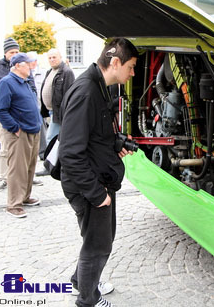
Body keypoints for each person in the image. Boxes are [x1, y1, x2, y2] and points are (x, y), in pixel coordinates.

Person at [60, 38, 138, 307]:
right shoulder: (86, 92)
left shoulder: (100, 87)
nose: (133, 73)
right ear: (115, 62)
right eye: (131, 66)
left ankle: (83, 282)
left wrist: (116, 145)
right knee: (98, 245)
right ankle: (88, 299)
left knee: (99, 239)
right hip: (89, 186)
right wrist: (96, 194)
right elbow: (69, 152)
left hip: (98, 179)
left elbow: (94, 137)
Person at [0, 38, 42, 192]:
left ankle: (25, 185)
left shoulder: (25, 71)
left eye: (17, 51)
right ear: (6, 53)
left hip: (26, 123)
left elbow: (32, 90)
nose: (15, 54)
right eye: (12, 52)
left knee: (25, 157)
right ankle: (4, 178)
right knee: (6, 150)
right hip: (9, 121)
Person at [0, 53, 43, 218]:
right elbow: (0, 109)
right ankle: (14, 204)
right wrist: (14, 127)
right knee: (17, 169)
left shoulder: (26, 82)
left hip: (33, 130)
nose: (31, 66)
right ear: (17, 66)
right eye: (27, 64)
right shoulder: (6, 82)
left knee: (29, 167)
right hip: (19, 133)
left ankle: (25, 196)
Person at [36, 48, 75, 176]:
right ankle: (56, 165)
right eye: (50, 58)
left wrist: (66, 114)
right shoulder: (50, 71)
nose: (52, 60)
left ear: (60, 57)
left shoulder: (66, 72)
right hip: (50, 112)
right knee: (55, 140)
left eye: (54, 57)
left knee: (51, 139)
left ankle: (51, 166)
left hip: (59, 113)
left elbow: (69, 94)